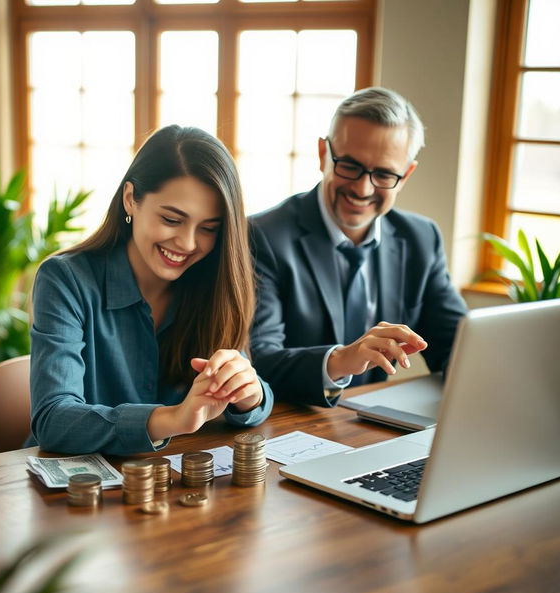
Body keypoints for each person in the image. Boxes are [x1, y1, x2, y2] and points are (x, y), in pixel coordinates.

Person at [28, 125, 273, 455]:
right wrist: (173, 418)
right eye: (172, 220)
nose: (187, 243)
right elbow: (53, 420)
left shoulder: (214, 281)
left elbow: (254, 401)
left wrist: (249, 393)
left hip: (172, 488)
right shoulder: (65, 279)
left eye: (208, 228)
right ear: (131, 199)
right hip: (73, 489)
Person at [249, 87, 467, 407]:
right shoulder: (261, 235)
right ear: (324, 154)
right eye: (349, 166)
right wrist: (339, 360)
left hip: (372, 424)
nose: (362, 189)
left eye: (383, 174)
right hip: (288, 424)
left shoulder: (421, 238)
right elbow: (258, 362)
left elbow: (458, 347)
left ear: (405, 175)